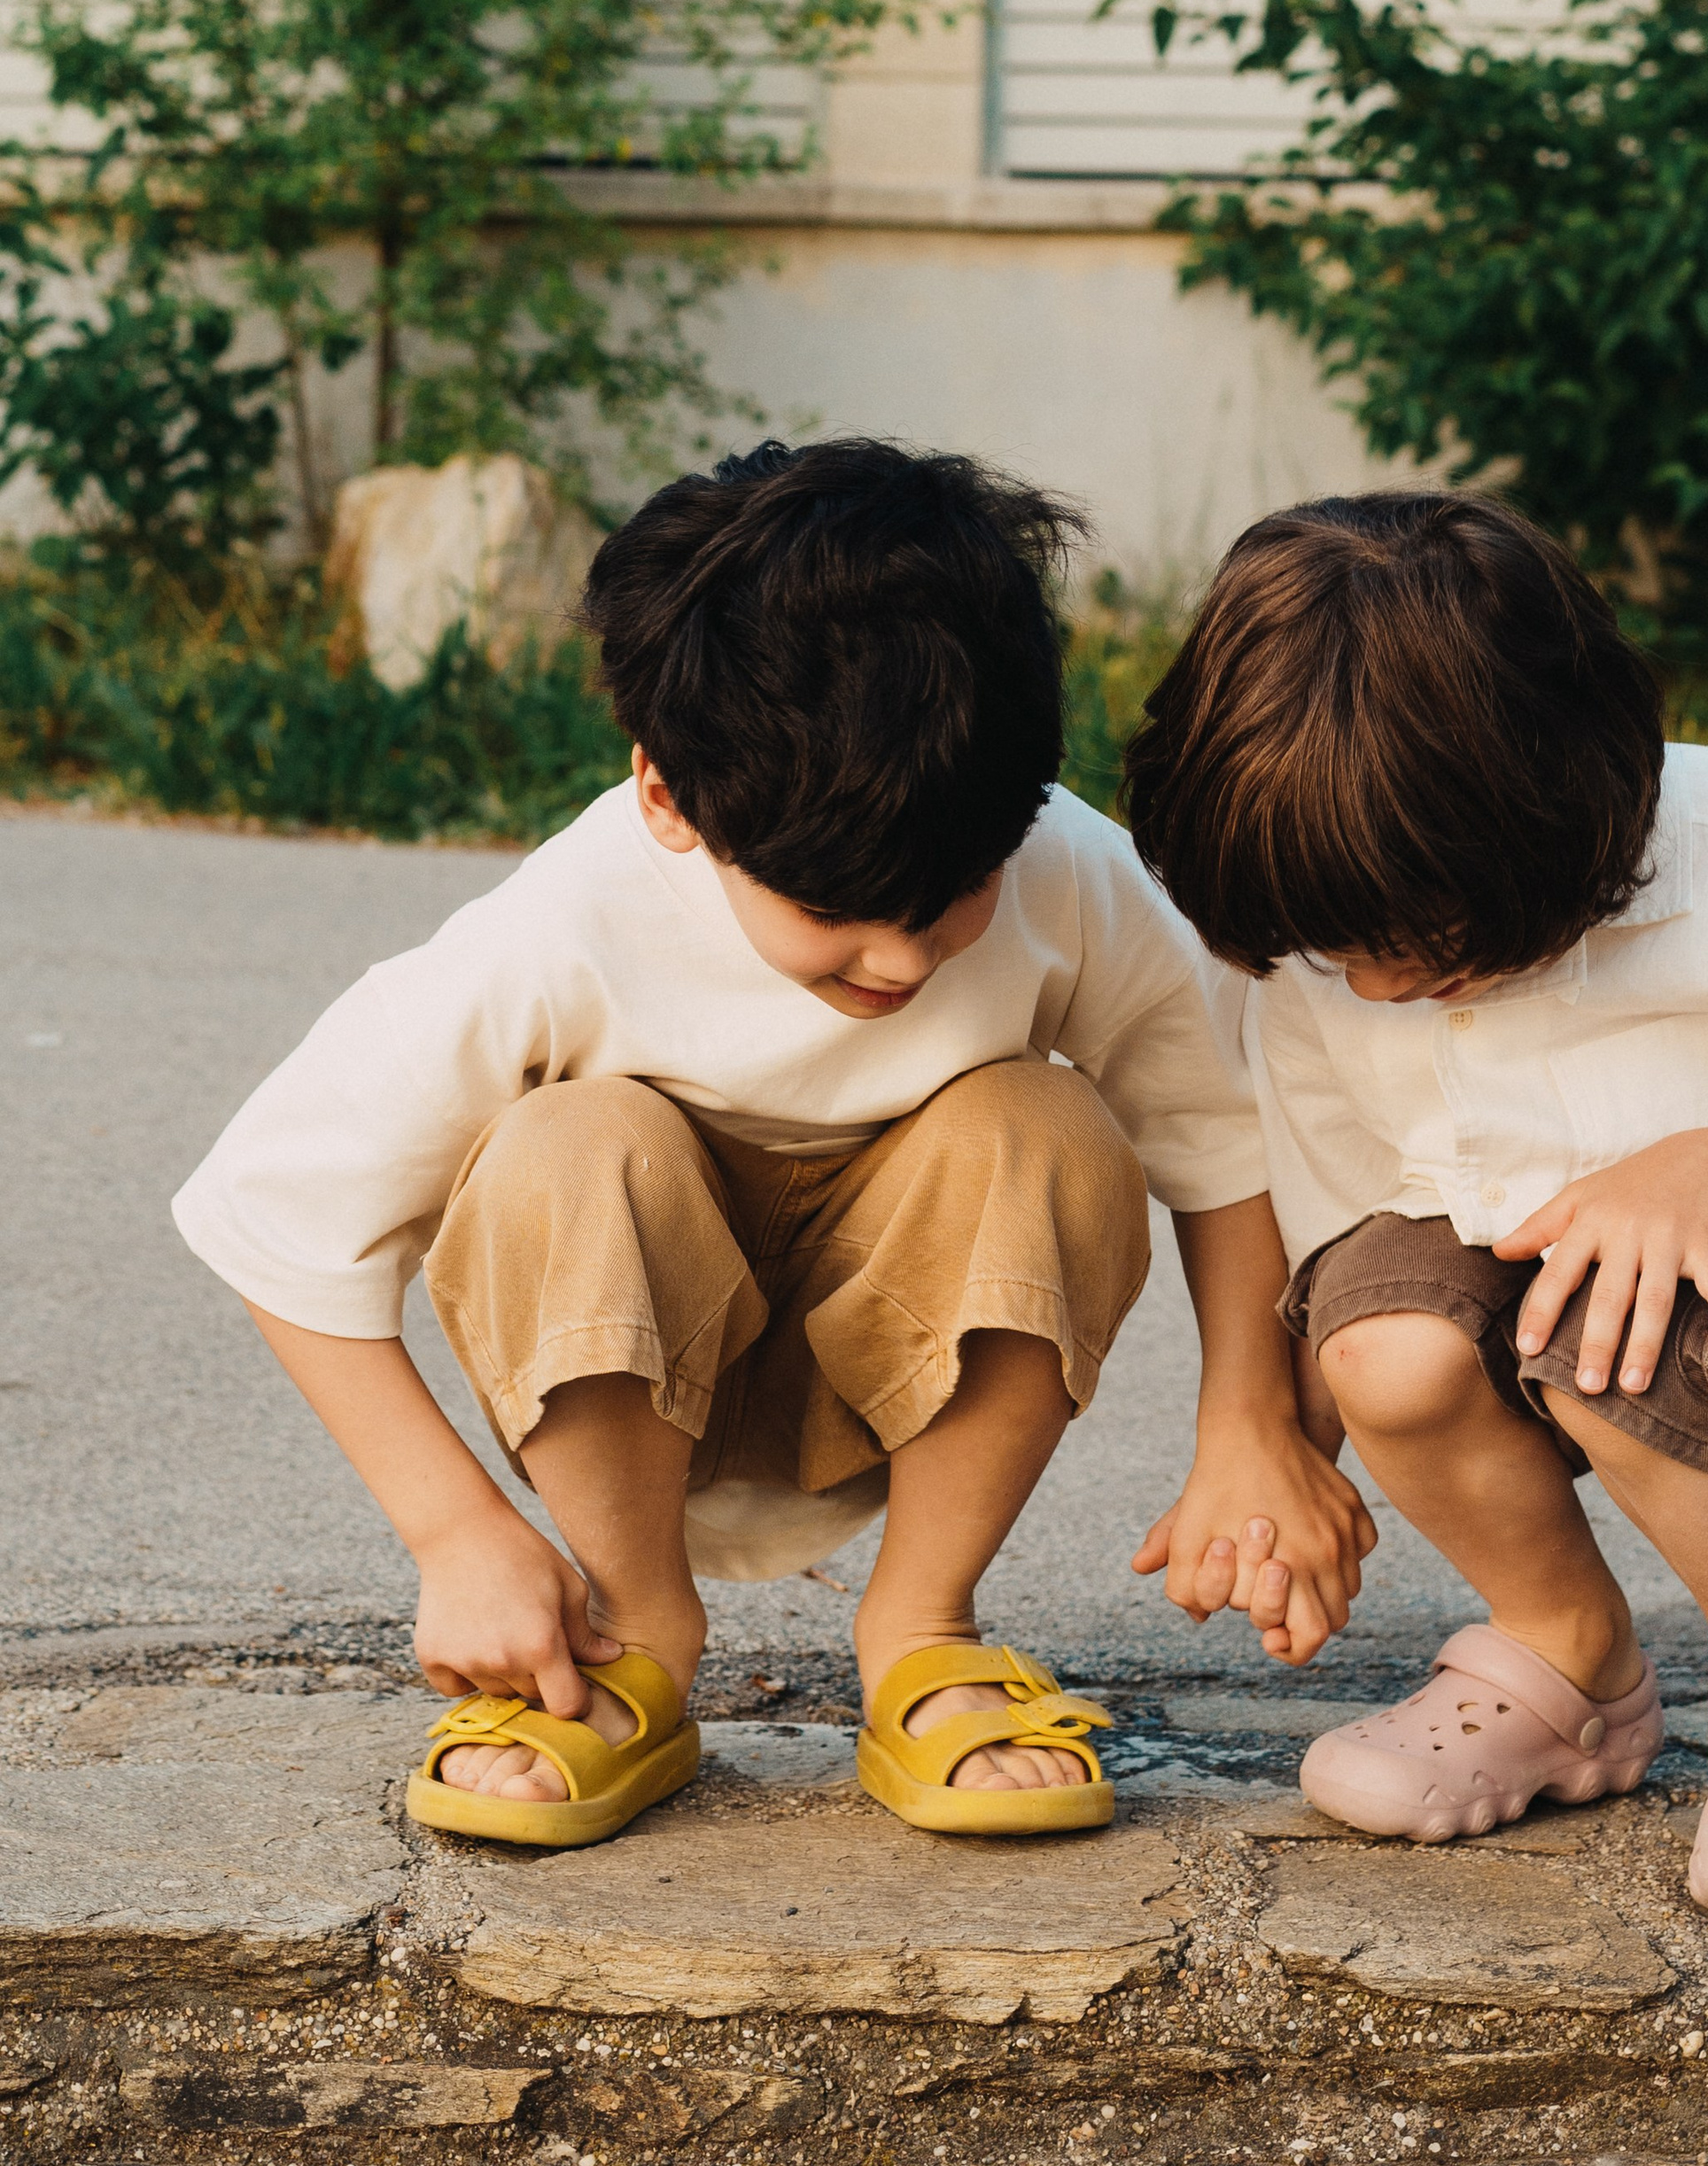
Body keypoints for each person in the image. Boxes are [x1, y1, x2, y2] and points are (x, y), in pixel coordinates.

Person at [174, 440, 1370, 1849]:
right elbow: (279, 1214)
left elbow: (1223, 1140)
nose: (904, 954)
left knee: (1048, 1121)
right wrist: (457, 1532)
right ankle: (628, 1637)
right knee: (573, 1143)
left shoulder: (1064, 869)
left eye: (955, 896)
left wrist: (1253, 1420)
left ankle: (922, 1630)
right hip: (631, 1387)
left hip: (916, 1365)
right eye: (840, 907)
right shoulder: (565, 923)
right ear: (669, 796)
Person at [1122, 490, 1708, 1919]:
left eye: (1417, 946)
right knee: (1376, 1339)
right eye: (1331, 948)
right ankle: (1569, 1656)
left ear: (1557, 825)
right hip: (1515, 1260)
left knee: (1622, 1342)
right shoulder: (1335, 945)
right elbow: (1334, 1216)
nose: (1366, 987)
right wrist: (1275, 1471)